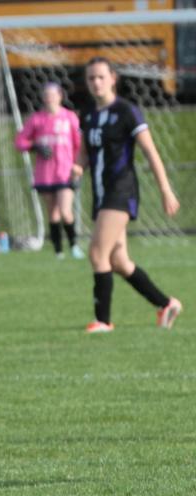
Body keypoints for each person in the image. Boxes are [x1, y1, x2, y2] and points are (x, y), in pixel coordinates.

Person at [75, 57, 182, 333]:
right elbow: (85, 153)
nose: (96, 82)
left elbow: (150, 152)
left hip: (120, 191)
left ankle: (102, 321)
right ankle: (166, 303)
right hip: (100, 194)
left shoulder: (127, 111)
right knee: (119, 262)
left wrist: (165, 189)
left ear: (113, 78)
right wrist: (76, 168)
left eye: (100, 77)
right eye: (91, 78)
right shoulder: (87, 114)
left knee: (97, 253)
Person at [14, 82, 84, 260]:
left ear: (60, 96)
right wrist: (34, 145)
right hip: (45, 174)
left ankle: (74, 245)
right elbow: (20, 142)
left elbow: (79, 144)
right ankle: (58, 251)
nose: (49, 98)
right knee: (52, 213)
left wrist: (78, 164)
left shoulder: (70, 118)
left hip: (65, 171)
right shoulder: (36, 120)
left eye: (53, 94)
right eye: (46, 95)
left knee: (65, 211)